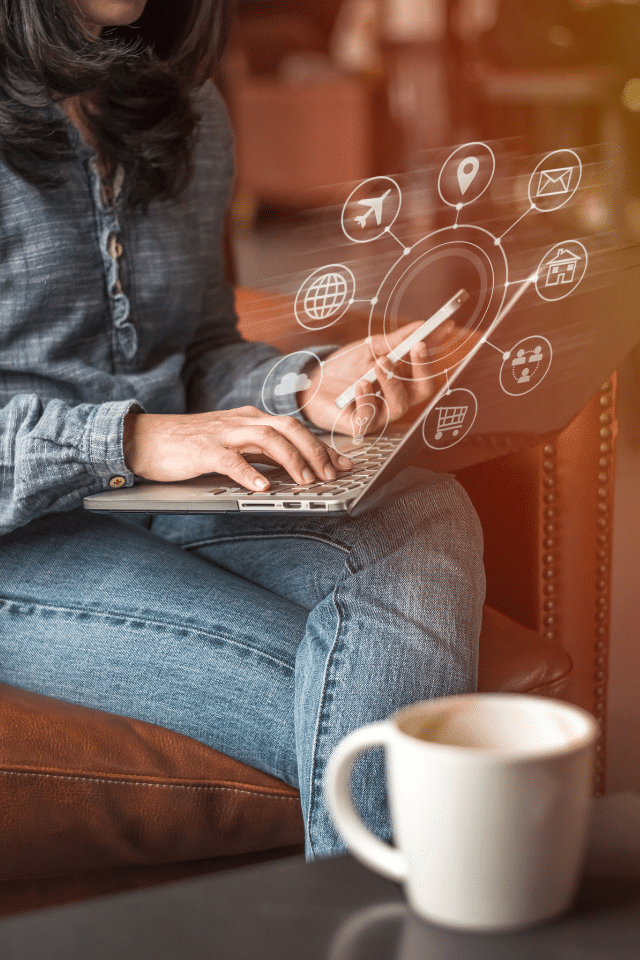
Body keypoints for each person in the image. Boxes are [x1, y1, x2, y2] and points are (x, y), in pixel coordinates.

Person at [0, 0, 485, 859]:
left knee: (428, 509)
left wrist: (306, 387)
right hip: (23, 542)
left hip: (158, 500)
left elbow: (199, 350)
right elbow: (150, 425)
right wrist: (134, 440)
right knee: (371, 707)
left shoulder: (185, 106)